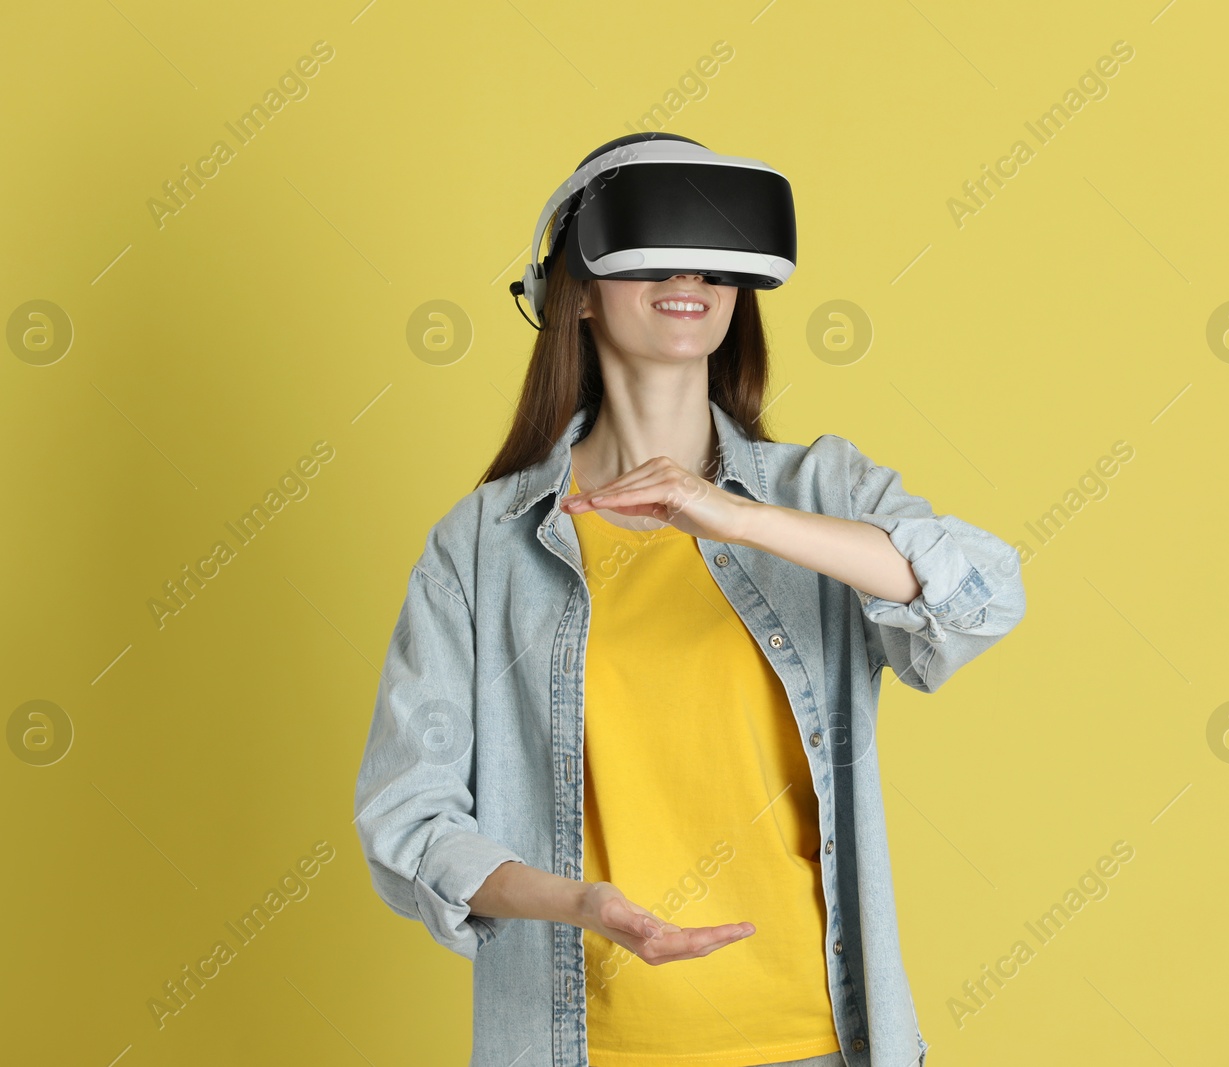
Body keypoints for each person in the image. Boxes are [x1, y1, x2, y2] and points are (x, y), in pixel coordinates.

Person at [354, 133, 1026, 1067]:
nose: (691, 278)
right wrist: (576, 901)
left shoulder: (821, 491)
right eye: (654, 254)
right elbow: (408, 817)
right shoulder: (481, 544)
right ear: (576, 291)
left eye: (718, 262)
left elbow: (984, 593)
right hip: (581, 1043)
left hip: (819, 1038)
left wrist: (736, 518)